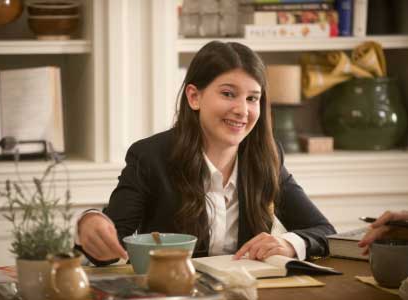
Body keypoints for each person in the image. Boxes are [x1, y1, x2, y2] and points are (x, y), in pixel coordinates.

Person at [75, 41, 336, 266]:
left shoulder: (267, 157)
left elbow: (325, 232)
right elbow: (108, 250)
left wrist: (289, 243)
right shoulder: (149, 156)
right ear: (194, 97)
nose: (242, 110)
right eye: (228, 94)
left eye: (252, 98)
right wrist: (88, 222)